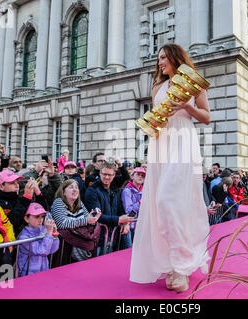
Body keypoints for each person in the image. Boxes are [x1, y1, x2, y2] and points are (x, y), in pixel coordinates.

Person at [130, 44, 211, 293]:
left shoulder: (192, 83)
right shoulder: (157, 87)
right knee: (159, 204)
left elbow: (206, 116)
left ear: (175, 58)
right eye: (158, 59)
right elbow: (156, 118)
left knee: (170, 200)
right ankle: (170, 262)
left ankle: (181, 266)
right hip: (160, 145)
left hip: (183, 143)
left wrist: (187, 107)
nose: (160, 62)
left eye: (163, 57)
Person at [85, 162, 135, 253]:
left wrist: (125, 222)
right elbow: (97, 216)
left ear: (114, 175)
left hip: (113, 237)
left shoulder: (114, 189)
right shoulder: (92, 190)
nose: (107, 177)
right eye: (104, 174)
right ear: (100, 173)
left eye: (110, 175)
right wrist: (119, 220)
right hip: (98, 239)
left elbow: (120, 209)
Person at [51, 180, 101, 261]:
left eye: (76, 187)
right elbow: (61, 224)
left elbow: (87, 220)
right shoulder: (58, 202)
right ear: (63, 192)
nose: (75, 190)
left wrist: (92, 217)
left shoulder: (79, 203)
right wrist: (86, 221)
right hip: (65, 250)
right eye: (71, 187)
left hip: (81, 246)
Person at [0, 169, 48, 237]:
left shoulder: (20, 199)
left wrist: (38, 193)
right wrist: (26, 197)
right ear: (1, 186)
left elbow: (43, 213)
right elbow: (13, 221)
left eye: (17, 182)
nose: (17, 185)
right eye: (12, 183)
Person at [16, 203, 60, 277]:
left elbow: (52, 249)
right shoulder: (24, 236)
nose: (40, 220)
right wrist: (49, 233)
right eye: (36, 217)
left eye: (42, 216)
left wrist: (54, 234)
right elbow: (42, 251)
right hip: (28, 273)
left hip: (43, 270)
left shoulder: (44, 229)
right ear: (26, 219)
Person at [121, 167, 146, 241]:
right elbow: (128, 210)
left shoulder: (144, 190)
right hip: (130, 226)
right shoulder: (127, 191)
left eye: (143, 175)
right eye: (138, 174)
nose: (140, 177)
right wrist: (140, 203)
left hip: (140, 226)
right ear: (132, 176)